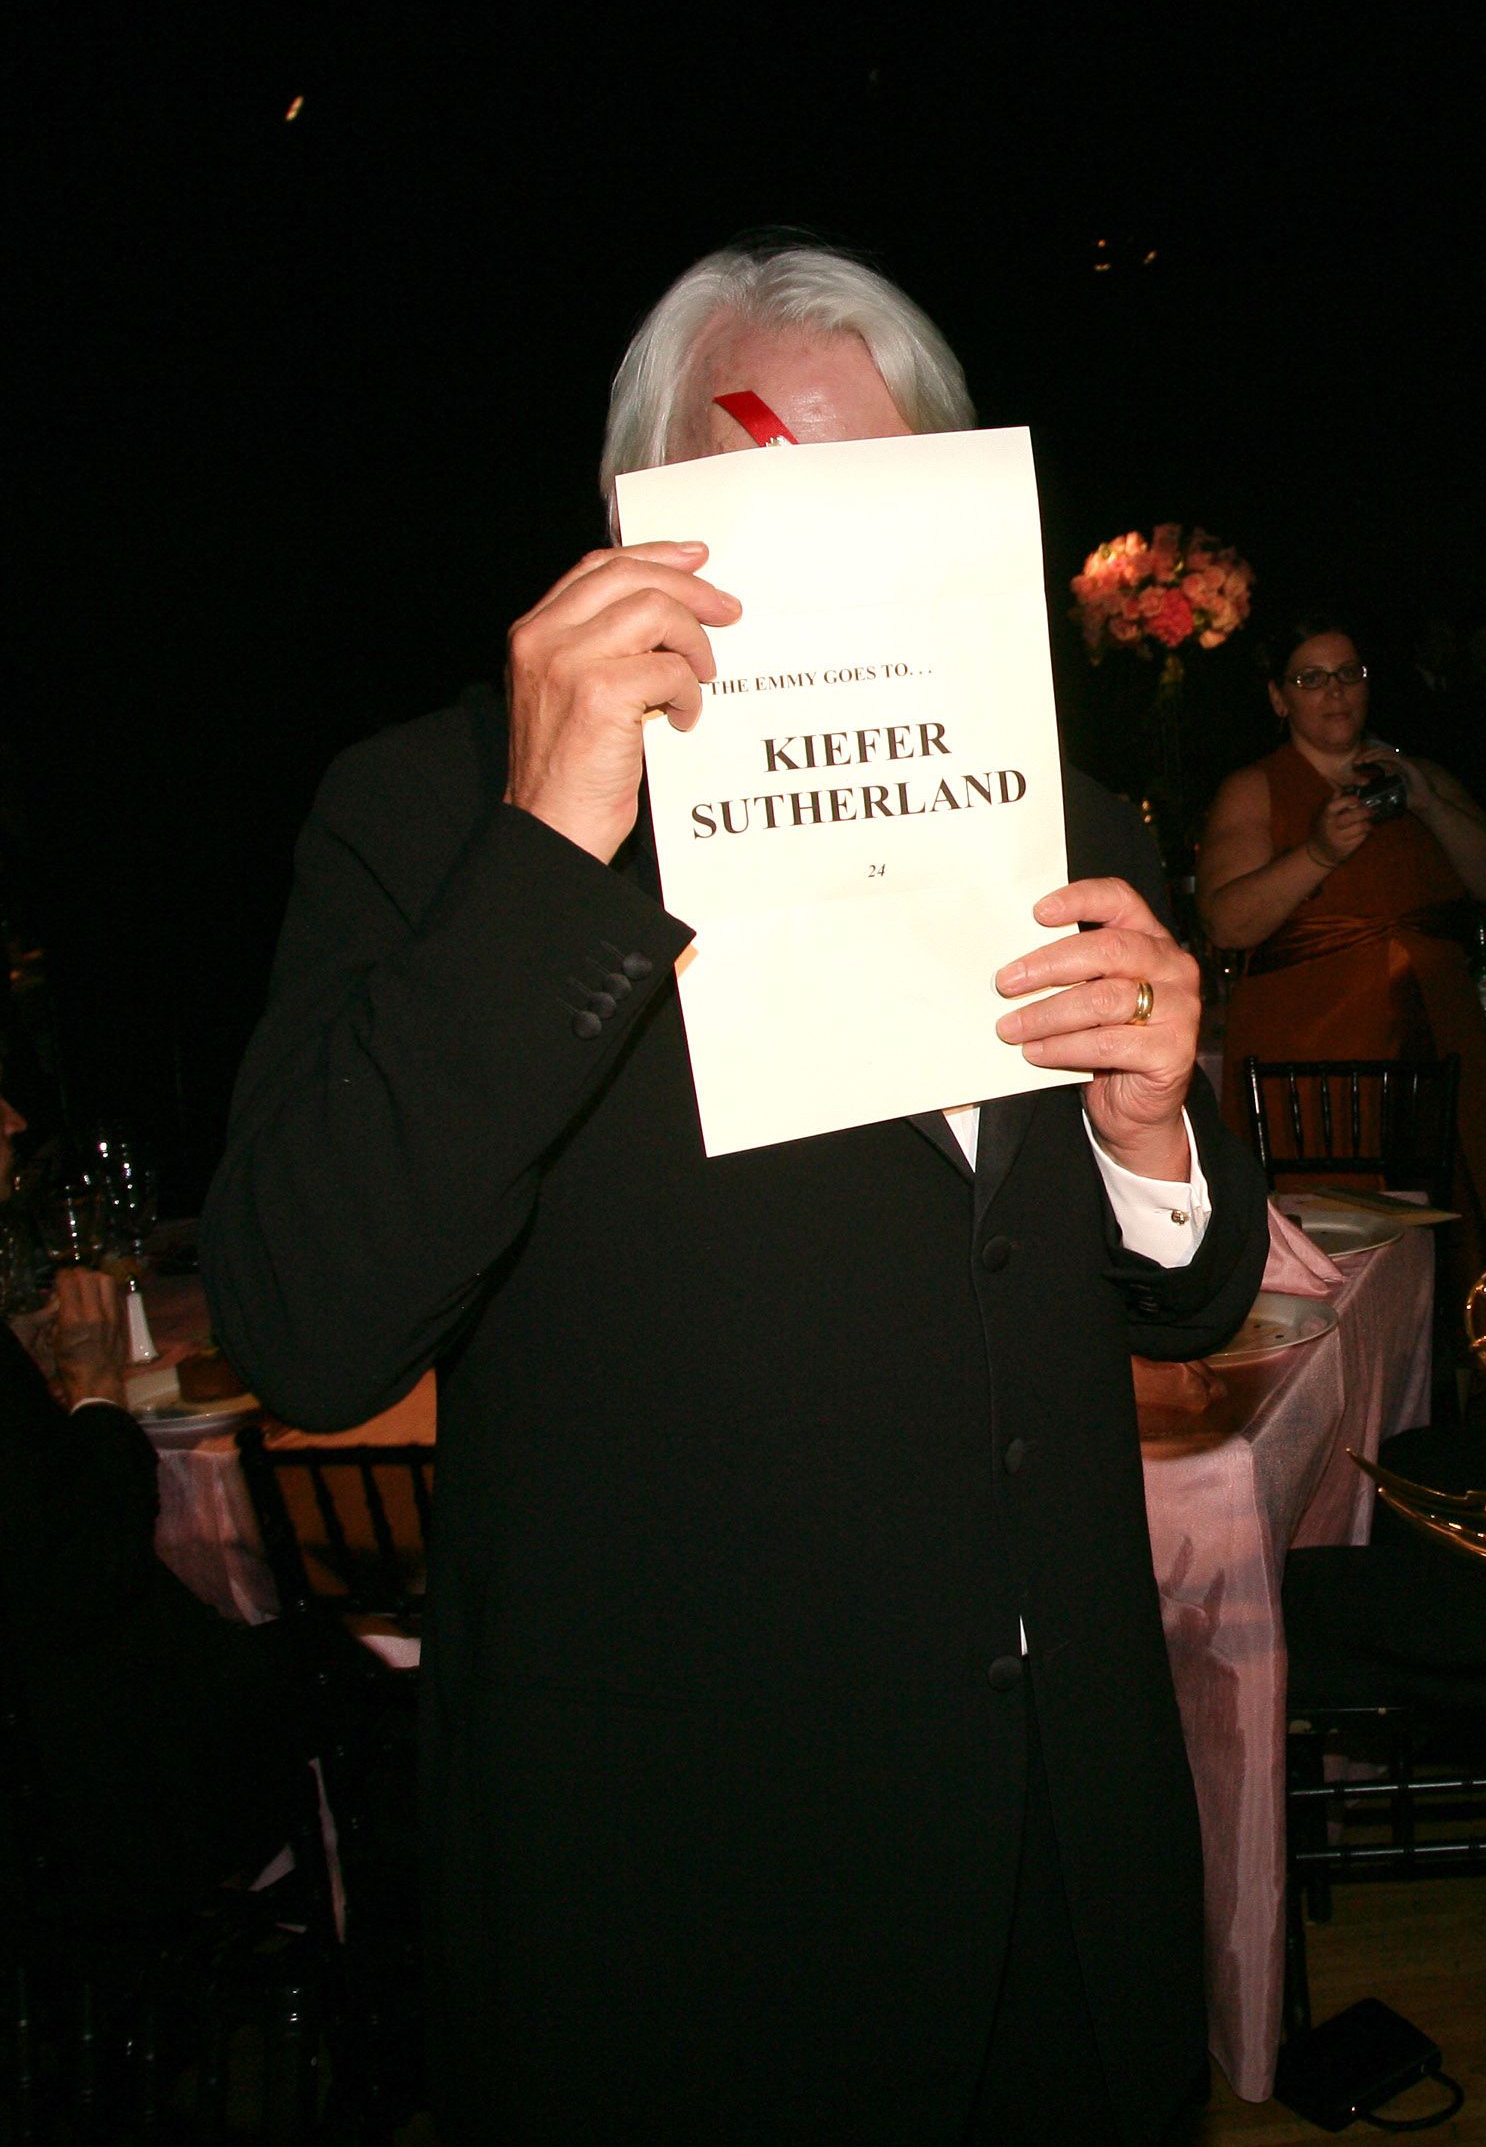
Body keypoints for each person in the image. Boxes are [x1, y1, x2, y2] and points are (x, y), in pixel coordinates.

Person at [201, 242, 1271, 2144]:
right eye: (764, 483)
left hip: (1061, 1848)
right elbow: (309, 1315)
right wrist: (552, 841)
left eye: (889, 489)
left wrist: (1153, 1138)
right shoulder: (442, 815)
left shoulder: (1070, 811)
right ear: (639, 511)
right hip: (699, 1883)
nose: (831, 551)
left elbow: (1174, 1299)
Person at [1, 1097, 323, 1930]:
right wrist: (99, 1393)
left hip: (72, 1723)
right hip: (87, 1757)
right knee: (314, 1665)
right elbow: (84, 1572)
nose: (13, 1121)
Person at [1197, 616, 1486, 1268]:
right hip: (1313, 1049)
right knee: (1338, 1243)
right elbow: (1227, 924)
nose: (1335, 692)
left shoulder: (1417, 775)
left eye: (1349, 674)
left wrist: (1428, 802)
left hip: (1437, 1034)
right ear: (1279, 698)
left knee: (1464, 1229)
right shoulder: (1254, 789)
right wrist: (1319, 854)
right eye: (1311, 678)